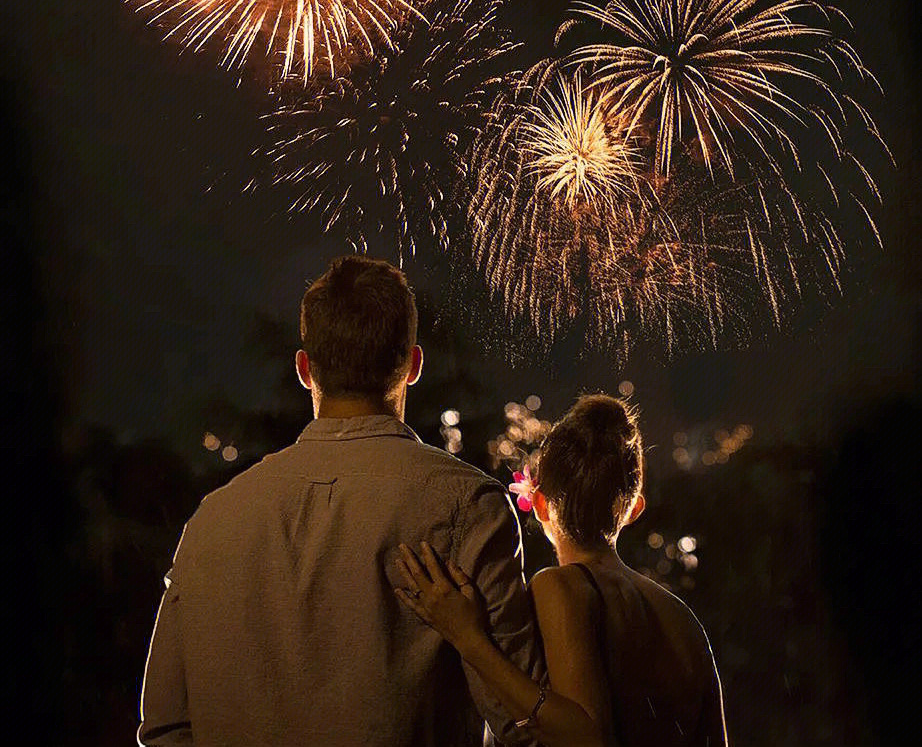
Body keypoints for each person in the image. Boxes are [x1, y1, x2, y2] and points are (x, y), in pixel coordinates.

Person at [138, 255, 543, 746]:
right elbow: (524, 721)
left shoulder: (212, 520)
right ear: (413, 364)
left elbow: (165, 726)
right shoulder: (469, 506)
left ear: (305, 369)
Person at [396, 394, 728, 747]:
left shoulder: (563, 587)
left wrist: (468, 638)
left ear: (539, 504)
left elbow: (586, 736)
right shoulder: (681, 617)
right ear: (633, 509)